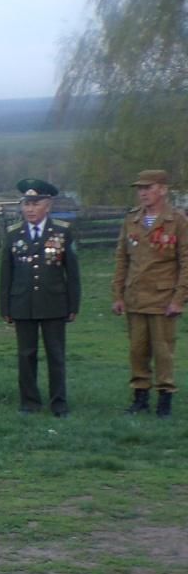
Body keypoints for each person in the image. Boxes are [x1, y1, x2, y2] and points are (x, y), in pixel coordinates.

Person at [0, 179, 81, 417]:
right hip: (22, 303)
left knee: (55, 355)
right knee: (26, 355)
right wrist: (5, 305)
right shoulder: (14, 234)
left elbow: (72, 272)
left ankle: (59, 403)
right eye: (26, 204)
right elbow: (6, 273)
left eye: (35, 204)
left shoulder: (62, 231)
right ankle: (29, 402)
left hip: (54, 303)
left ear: (48, 205)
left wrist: (73, 304)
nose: (30, 209)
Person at [111, 169, 188, 417]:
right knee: (137, 350)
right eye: (140, 189)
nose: (143, 193)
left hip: (163, 299)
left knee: (163, 351)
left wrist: (179, 299)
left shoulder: (176, 221)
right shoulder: (132, 219)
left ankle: (164, 399)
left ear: (163, 189)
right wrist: (118, 295)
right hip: (135, 297)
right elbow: (122, 259)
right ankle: (140, 397)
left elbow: (186, 262)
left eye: (148, 187)